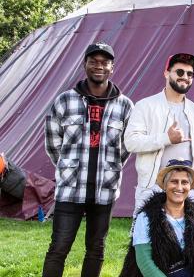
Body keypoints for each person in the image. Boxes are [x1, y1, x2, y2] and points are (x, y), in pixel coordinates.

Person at [42, 42, 134, 277]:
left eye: (105, 62)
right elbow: (53, 144)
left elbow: (126, 146)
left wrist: (110, 168)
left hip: (105, 190)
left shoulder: (124, 106)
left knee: (96, 249)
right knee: (58, 248)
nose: (99, 66)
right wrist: (68, 167)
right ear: (85, 65)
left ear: (112, 67)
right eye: (93, 61)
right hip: (70, 189)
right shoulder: (64, 101)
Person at [124, 52, 194, 211]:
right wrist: (166, 138)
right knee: (146, 235)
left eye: (190, 74)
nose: (185, 77)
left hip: (186, 190)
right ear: (166, 73)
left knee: (184, 236)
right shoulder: (145, 106)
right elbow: (131, 142)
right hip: (151, 188)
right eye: (179, 72)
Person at [121, 160, 194, 277]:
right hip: (161, 273)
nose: (179, 187)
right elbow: (145, 262)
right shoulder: (145, 218)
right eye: (174, 181)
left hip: (191, 271)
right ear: (165, 185)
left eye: (184, 182)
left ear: (190, 186)